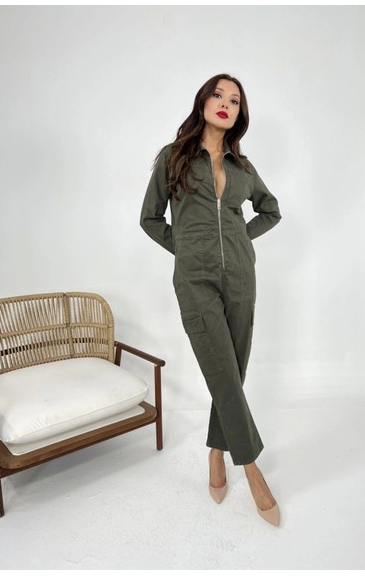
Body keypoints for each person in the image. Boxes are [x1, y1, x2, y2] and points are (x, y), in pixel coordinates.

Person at [140, 73, 282, 526]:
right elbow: (149, 218)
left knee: (232, 372)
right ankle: (252, 467)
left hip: (240, 276)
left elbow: (271, 210)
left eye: (235, 100)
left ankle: (217, 451)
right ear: (202, 102)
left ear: (240, 114)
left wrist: (238, 239)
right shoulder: (173, 157)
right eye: (218, 95)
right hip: (194, 280)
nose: (225, 103)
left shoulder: (243, 167)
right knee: (220, 367)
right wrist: (187, 248)